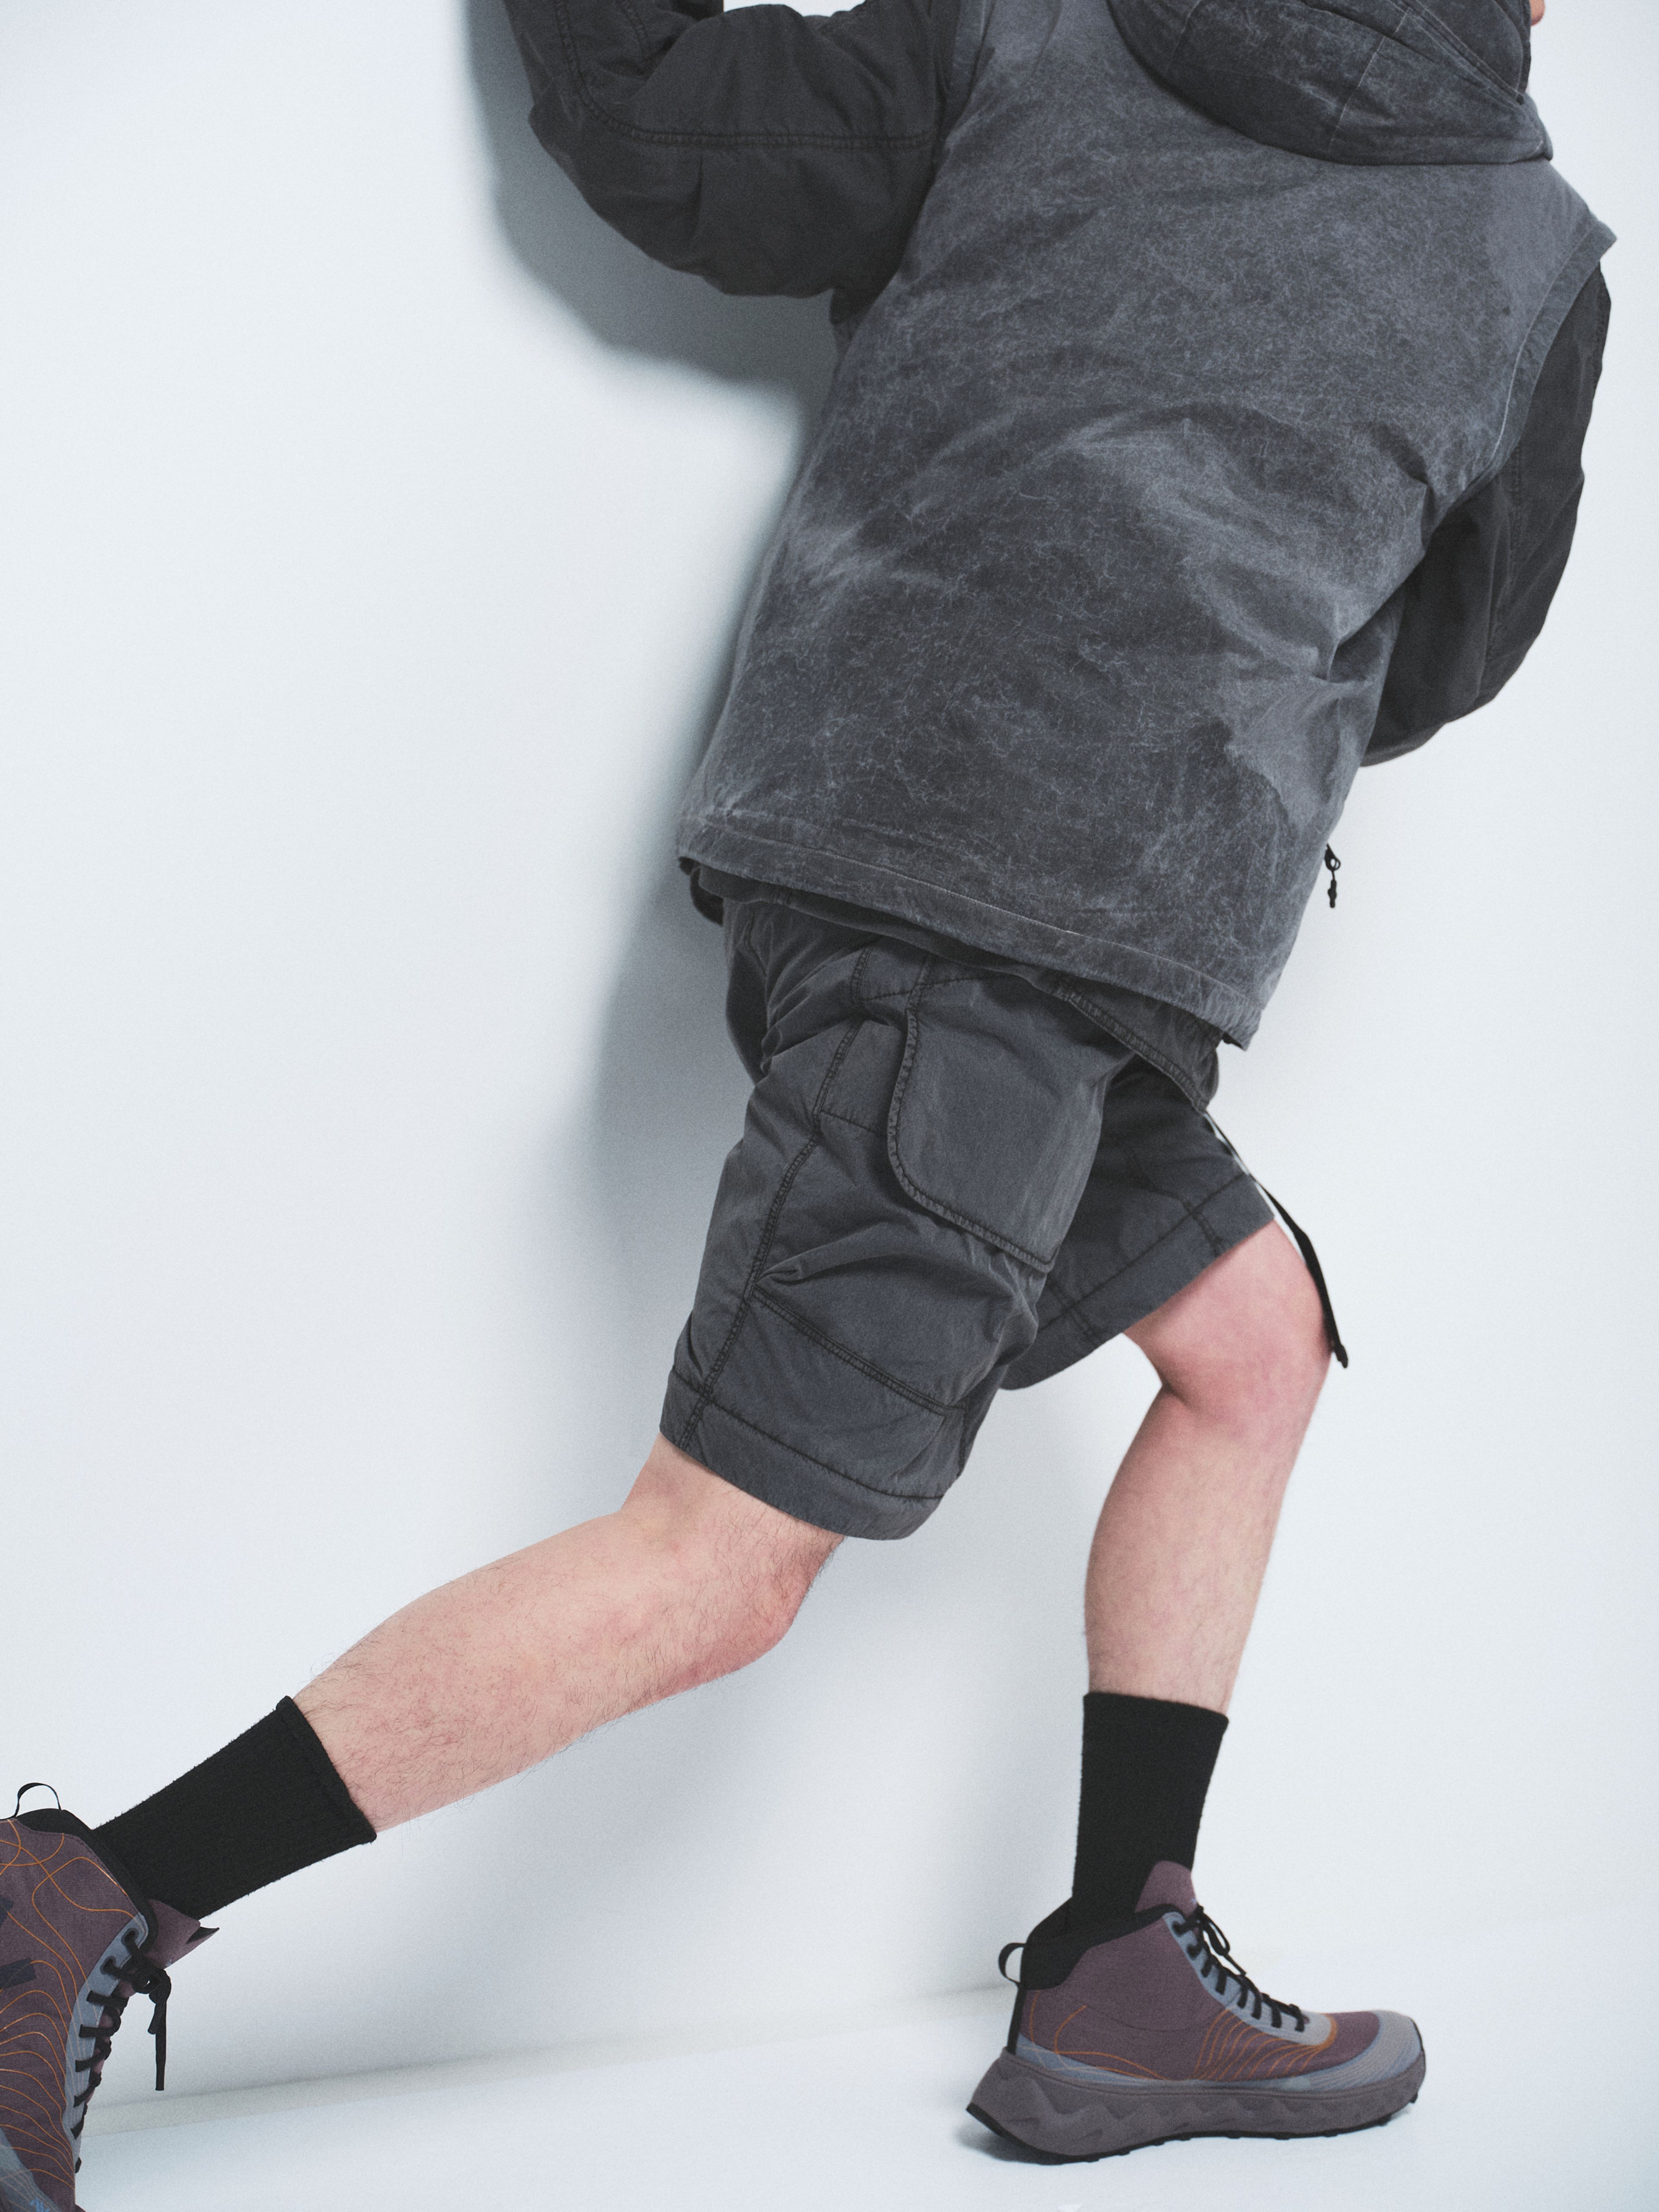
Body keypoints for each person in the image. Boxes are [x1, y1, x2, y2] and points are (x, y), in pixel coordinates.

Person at [0, 0, 1612, 2197]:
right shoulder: (1529, 260)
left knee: (1252, 1339)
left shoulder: (1038, 34)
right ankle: (73, 1896)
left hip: (954, 899)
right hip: (1017, 945)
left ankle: (1122, 1971)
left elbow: (670, 131)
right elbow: (1443, 650)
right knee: (722, 1562)